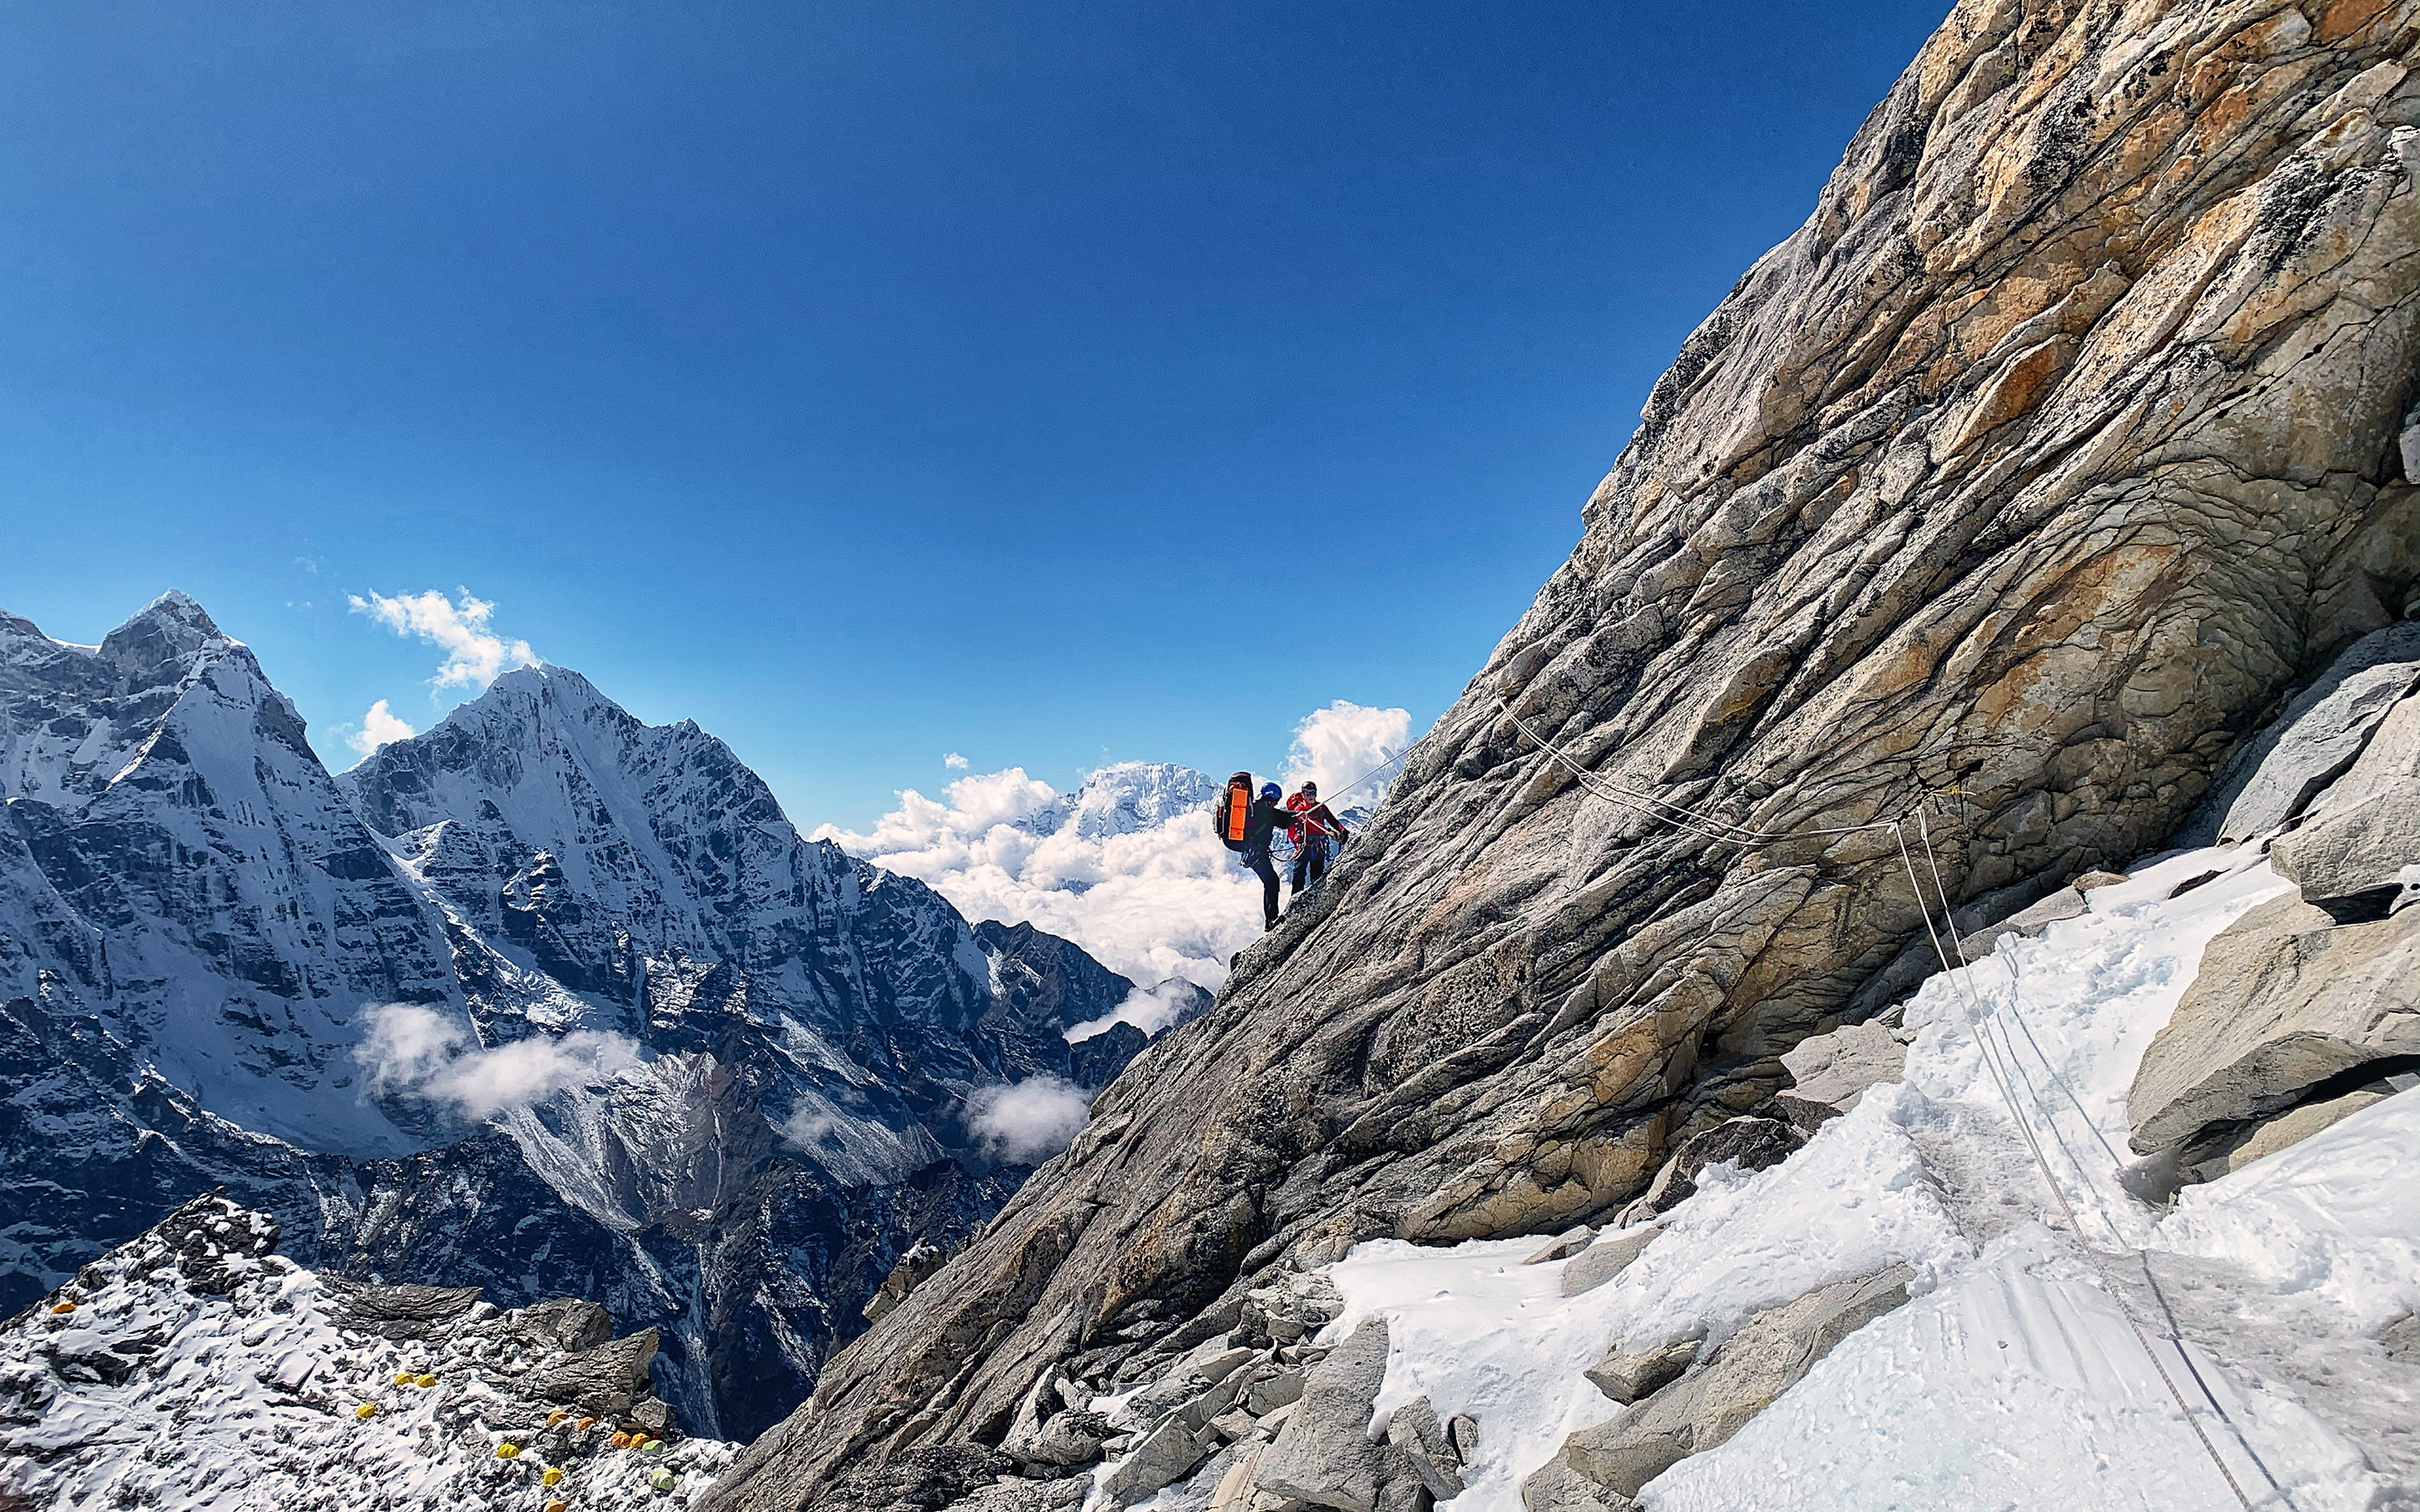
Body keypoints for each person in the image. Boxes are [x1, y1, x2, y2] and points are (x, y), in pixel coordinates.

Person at [1228, 780, 1297, 931]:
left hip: (1254, 853)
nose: (1275, 804)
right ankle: (1271, 920)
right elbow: (1283, 821)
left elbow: (1280, 817)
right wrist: (1298, 815)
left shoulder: (1255, 809)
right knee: (1272, 882)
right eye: (1273, 801)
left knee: (1271, 881)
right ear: (1268, 799)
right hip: (1257, 854)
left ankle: (1270, 920)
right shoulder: (1265, 812)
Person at [1284, 781, 1349, 900]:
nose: (1311, 796)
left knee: (1317, 874)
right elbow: (1310, 823)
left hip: (1318, 846)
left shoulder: (1321, 808)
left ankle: (1316, 901)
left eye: (1313, 793)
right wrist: (1328, 831)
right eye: (1308, 793)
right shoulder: (1300, 809)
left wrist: (1342, 830)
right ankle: (1293, 903)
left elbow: (1332, 820)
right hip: (1304, 846)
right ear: (1303, 795)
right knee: (1299, 876)